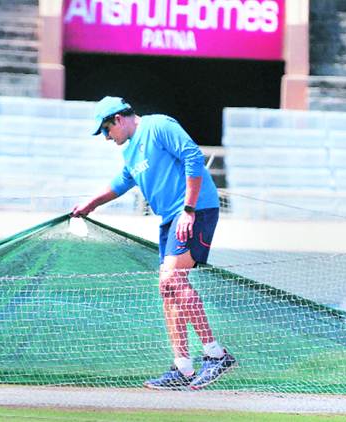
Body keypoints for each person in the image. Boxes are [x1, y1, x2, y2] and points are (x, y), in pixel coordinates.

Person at [71, 96, 236, 390]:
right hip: (169, 219)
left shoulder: (158, 125)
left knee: (174, 278)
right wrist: (90, 204)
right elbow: (121, 183)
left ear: (119, 119)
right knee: (166, 287)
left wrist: (189, 209)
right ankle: (183, 368)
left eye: (107, 130)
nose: (107, 137)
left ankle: (216, 354)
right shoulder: (130, 152)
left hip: (193, 211)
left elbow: (193, 157)